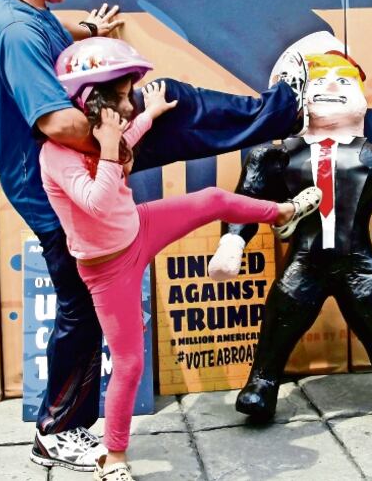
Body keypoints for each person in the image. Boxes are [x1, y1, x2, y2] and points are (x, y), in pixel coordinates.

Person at [0, 0, 308, 472]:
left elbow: (51, 34)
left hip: (71, 169)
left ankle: (63, 428)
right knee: (82, 305)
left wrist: (90, 33)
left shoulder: (21, 10)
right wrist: (122, 139)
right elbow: (57, 122)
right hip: (65, 179)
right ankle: (59, 431)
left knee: (171, 105)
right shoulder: (16, 33)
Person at [41, 38, 321, 481]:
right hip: (109, 269)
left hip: (139, 227)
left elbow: (126, 148)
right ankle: (114, 457)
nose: (128, 104)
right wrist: (111, 147)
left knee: (210, 199)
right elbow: (95, 203)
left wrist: (148, 116)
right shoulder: (56, 155)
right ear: (93, 101)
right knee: (130, 362)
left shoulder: (103, 138)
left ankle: (282, 214)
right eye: (122, 97)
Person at [208, 52, 372, 423]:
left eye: (345, 81)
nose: (333, 87)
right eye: (319, 82)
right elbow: (245, 204)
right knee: (281, 314)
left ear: (363, 100)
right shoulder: (272, 158)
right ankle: (262, 382)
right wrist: (232, 242)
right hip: (303, 263)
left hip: (359, 261)